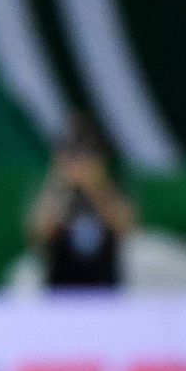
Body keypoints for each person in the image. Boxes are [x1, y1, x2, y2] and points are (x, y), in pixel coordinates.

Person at [25, 116, 137, 289]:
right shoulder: (54, 191)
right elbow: (38, 234)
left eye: (87, 156)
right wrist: (60, 184)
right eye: (73, 156)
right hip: (61, 288)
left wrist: (95, 187)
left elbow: (126, 230)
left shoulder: (112, 190)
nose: (79, 164)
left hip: (105, 286)